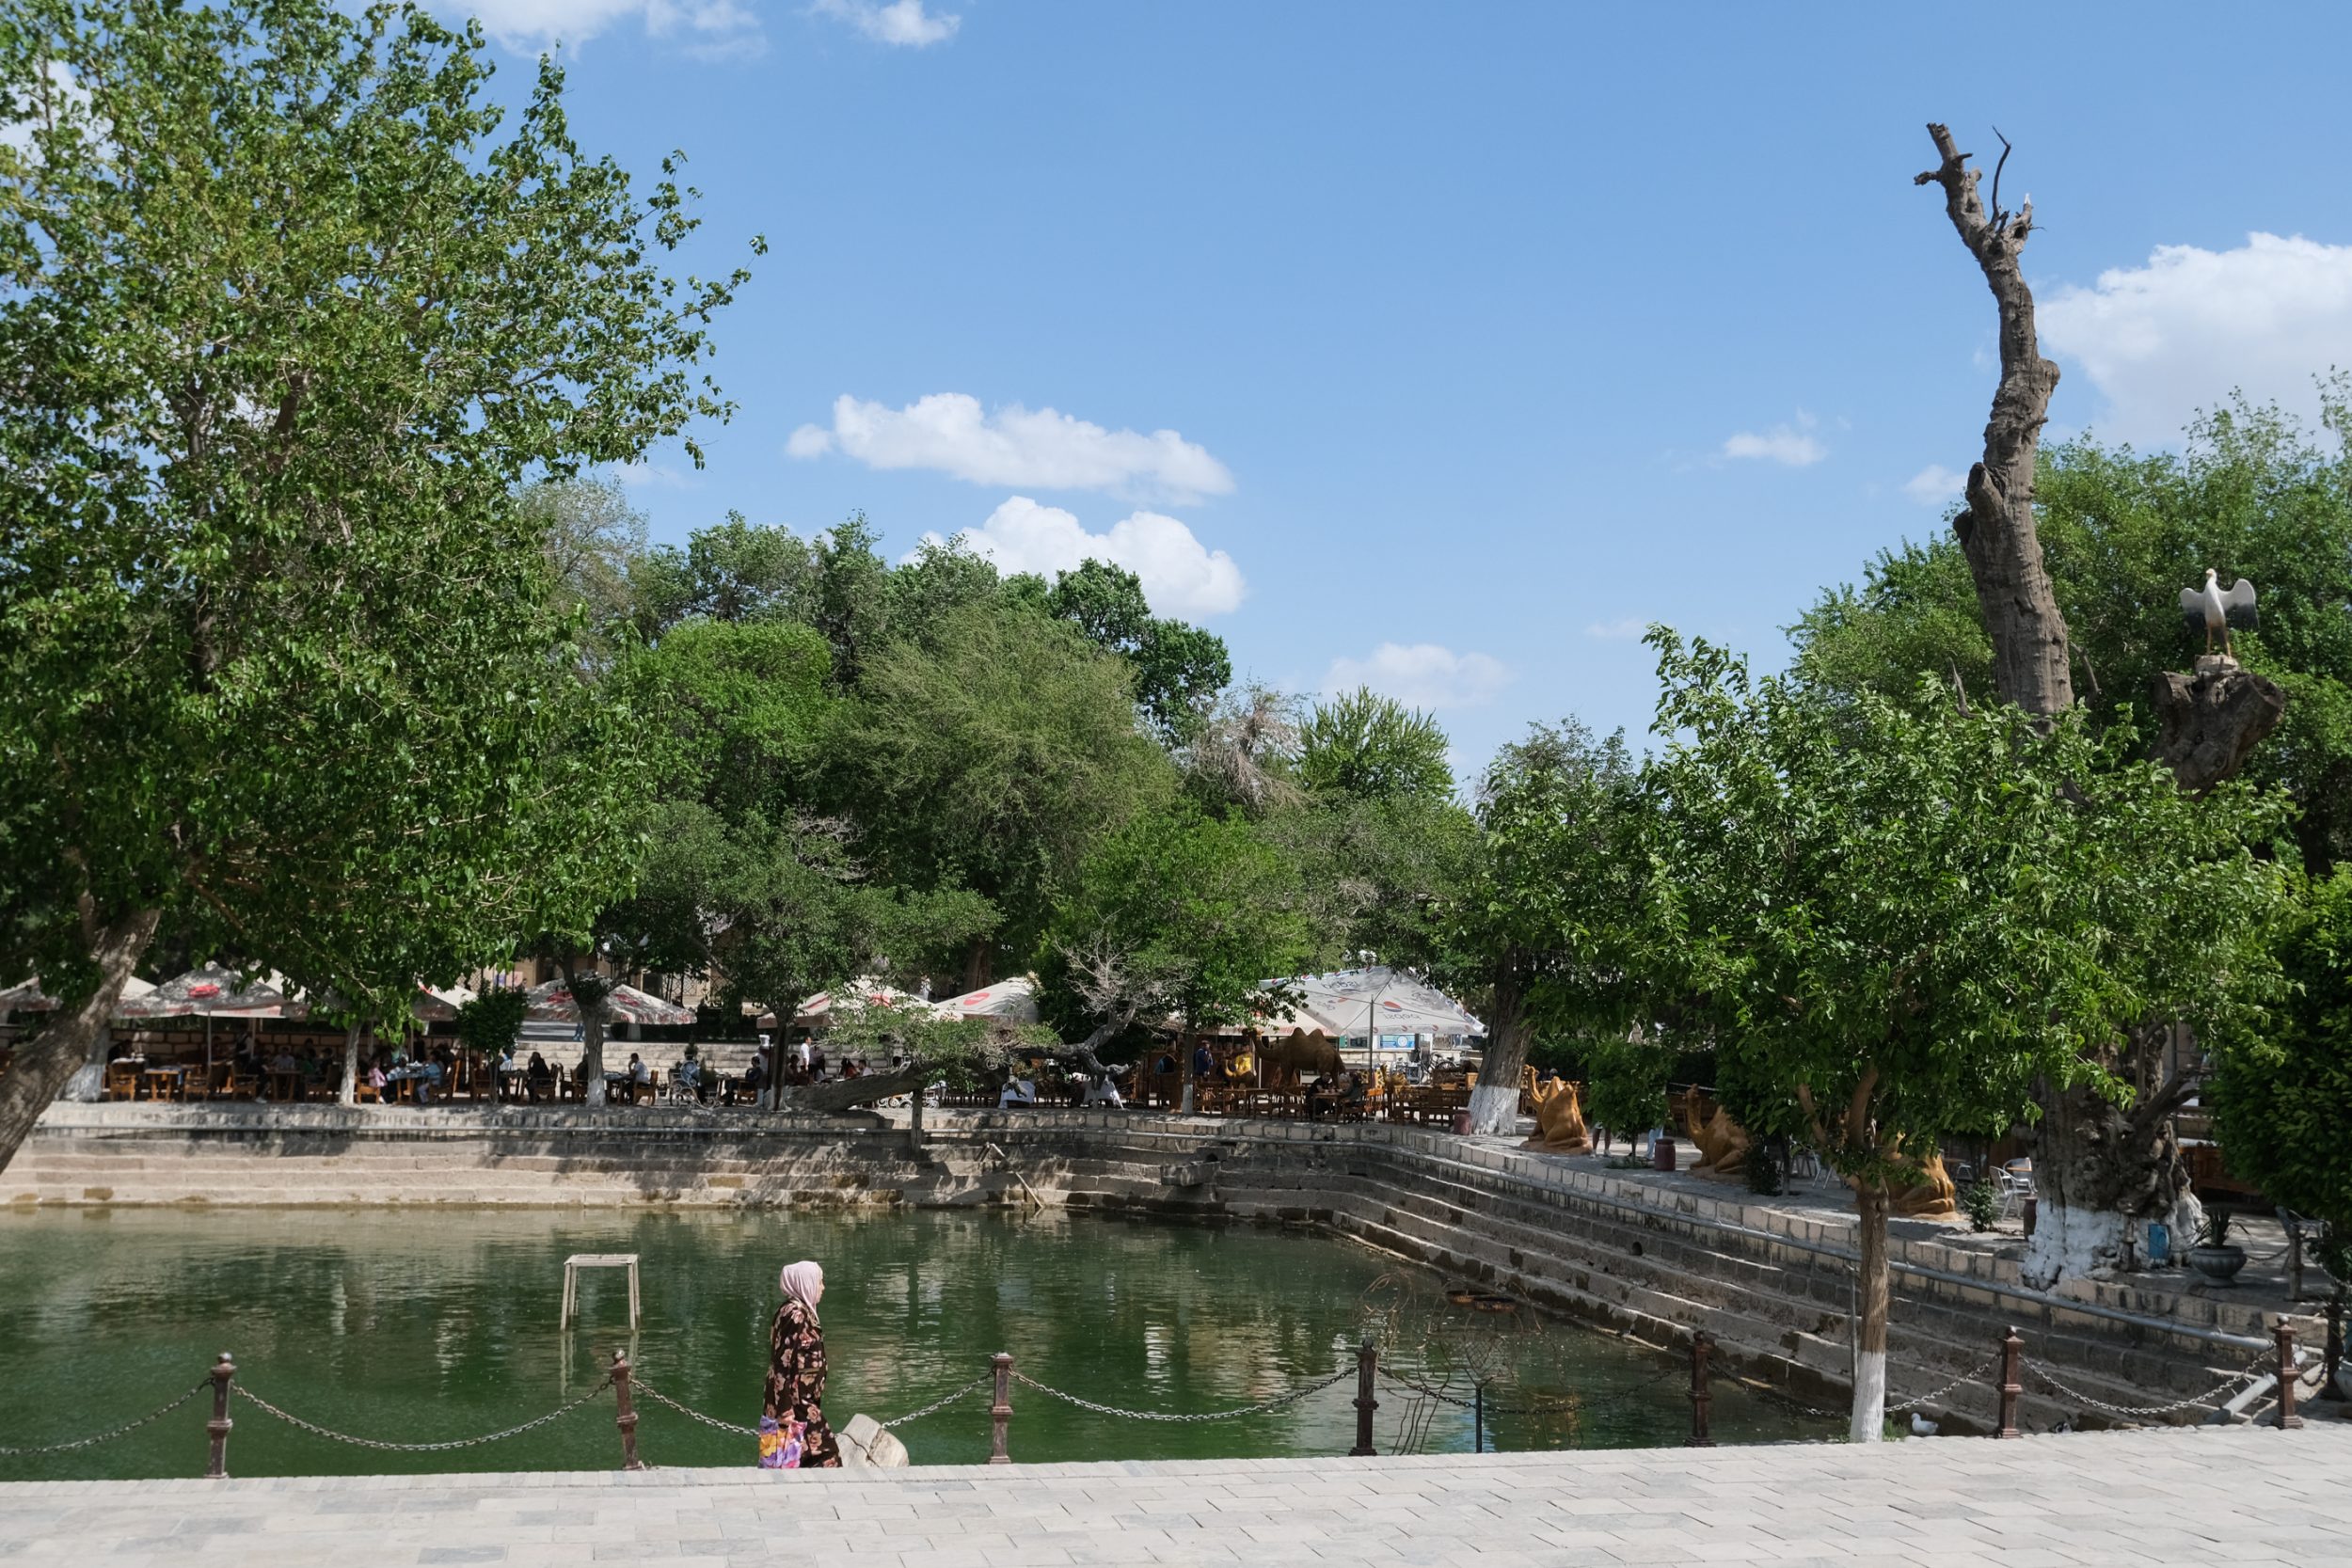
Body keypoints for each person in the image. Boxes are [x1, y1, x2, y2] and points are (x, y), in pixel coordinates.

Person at [762, 1261, 839, 1468]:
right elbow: (781, 1362)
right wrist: (785, 1409)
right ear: (806, 1283)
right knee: (826, 1455)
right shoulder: (794, 1315)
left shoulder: (800, 1312)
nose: (823, 1287)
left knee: (804, 1458)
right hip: (796, 1405)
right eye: (819, 1282)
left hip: (803, 1402)